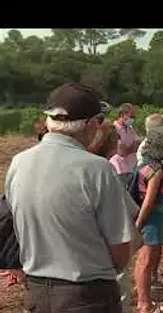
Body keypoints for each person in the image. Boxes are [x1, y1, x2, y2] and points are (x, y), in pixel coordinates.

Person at [3, 83, 134, 312]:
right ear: (92, 124)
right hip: (87, 294)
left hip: (37, 293)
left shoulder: (19, 163)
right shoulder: (97, 169)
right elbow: (120, 249)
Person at [133, 126, 163, 313]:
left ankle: (144, 298)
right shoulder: (155, 170)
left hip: (151, 218)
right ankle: (144, 304)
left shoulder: (144, 165)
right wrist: (138, 225)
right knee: (146, 260)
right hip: (151, 220)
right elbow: (149, 202)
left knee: (148, 259)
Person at [110, 103, 141, 187]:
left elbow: (138, 143)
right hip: (120, 167)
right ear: (122, 114)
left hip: (132, 166)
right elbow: (121, 151)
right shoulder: (114, 128)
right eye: (131, 116)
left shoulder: (130, 128)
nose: (132, 119)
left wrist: (131, 148)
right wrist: (132, 148)